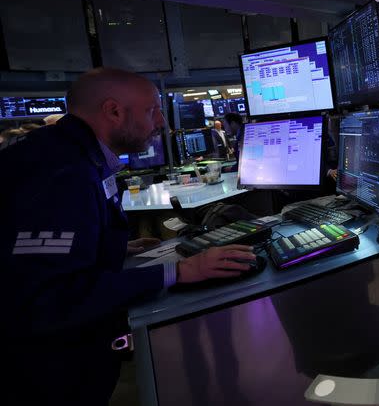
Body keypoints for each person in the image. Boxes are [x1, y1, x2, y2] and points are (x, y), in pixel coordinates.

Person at [0, 68, 258, 405]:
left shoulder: (69, 155)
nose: (162, 122)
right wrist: (179, 272)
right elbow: (48, 297)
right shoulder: (62, 174)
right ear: (113, 111)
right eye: (152, 110)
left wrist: (111, 248)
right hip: (42, 374)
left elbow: (40, 257)